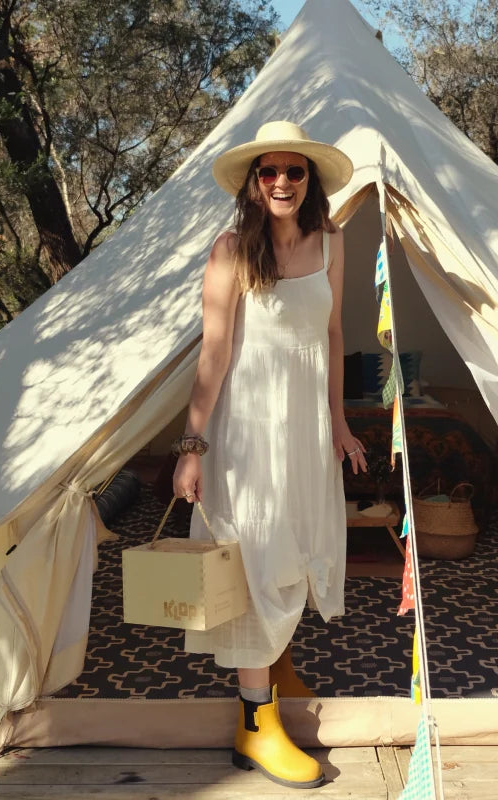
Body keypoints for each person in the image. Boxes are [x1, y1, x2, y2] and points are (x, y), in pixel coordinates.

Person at [171, 120, 367, 789]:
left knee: (297, 542)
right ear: (253, 183)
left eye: (295, 171)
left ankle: (274, 662)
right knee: (252, 556)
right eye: (269, 172)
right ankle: (255, 726)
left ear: (309, 180)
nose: (282, 182)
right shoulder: (231, 250)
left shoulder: (332, 241)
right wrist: (192, 447)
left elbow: (334, 333)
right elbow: (214, 354)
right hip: (248, 431)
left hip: (307, 430)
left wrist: (338, 422)